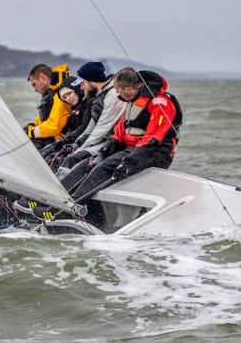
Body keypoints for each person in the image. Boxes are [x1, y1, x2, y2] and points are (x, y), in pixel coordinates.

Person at [19, 68, 182, 226]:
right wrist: (109, 146)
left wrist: (129, 162)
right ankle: (56, 204)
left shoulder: (160, 102)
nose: (117, 94)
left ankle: (66, 210)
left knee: (102, 169)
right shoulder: (133, 100)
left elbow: (153, 138)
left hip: (155, 152)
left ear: (127, 88)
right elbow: (121, 129)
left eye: (118, 90)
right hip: (133, 150)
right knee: (87, 165)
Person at [54, 61, 125, 175]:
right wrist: (76, 144)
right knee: (69, 157)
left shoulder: (112, 96)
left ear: (92, 81)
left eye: (82, 83)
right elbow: (91, 126)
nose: (81, 88)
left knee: (74, 158)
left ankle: (59, 189)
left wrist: (80, 149)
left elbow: (102, 128)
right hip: (101, 140)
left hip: (112, 143)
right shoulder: (100, 94)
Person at [23, 63, 71, 150]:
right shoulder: (52, 91)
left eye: (34, 84)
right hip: (55, 137)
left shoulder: (61, 93)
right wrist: (32, 125)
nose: (35, 90)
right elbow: (46, 117)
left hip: (62, 139)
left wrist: (31, 131)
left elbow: (54, 126)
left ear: (43, 78)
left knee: (25, 146)